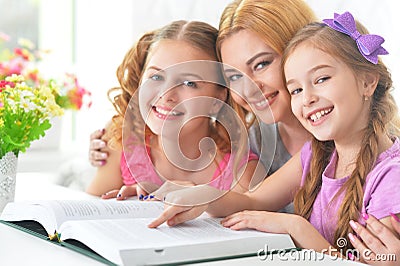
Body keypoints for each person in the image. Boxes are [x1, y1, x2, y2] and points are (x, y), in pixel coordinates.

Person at [149, 12, 400, 262]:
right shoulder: (317, 153)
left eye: (322, 79)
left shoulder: (390, 177)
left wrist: (297, 227)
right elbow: (254, 200)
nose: (307, 98)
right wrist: (203, 196)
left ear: (368, 81)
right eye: (296, 90)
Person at [88, 0, 316, 201]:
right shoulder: (254, 138)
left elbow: (251, 209)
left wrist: (198, 198)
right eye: (235, 76)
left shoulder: (246, 161)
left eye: (261, 64)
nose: (167, 95)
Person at [85, 20, 259, 199]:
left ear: (217, 99)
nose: (166, 95)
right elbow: (82, 216)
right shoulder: (122, 138)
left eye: (189, 83)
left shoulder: (240, 172)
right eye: (157, 76)